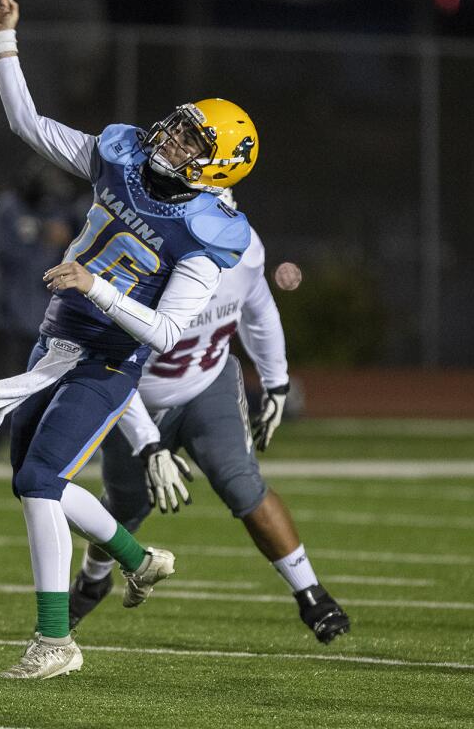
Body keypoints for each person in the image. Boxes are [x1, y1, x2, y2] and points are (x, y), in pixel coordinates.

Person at [0, 0, 257, 679]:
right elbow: (29, 124)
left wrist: (91, 284)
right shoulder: (123, 158)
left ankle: (54, 641)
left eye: (193, 139)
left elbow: (163, 331)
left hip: (108, 359)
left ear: (217, 164)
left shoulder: (206, 231)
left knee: (41, 484)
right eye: (180, 126)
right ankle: (139, 558)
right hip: (56, 338)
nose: (173, 137)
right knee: (28, 481)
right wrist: (3, 41)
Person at [69, 196, 351, 644]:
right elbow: (109, 363)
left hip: (207, 383)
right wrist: (148, 443)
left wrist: (276, 381)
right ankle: (93, 578)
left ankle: (311, 593)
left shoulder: (244, 249)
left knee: (241, 482)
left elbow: (258, 309)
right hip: (133, 394)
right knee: (126, 505)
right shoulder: (139, 261)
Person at [0, 160, 81, 457]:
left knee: (46, 382)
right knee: (4, 379)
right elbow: (7, 253)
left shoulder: (57, 210)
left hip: (47, 315)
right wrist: (42, 235)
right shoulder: (8, 207)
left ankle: (39, 442)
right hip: (9, 313)